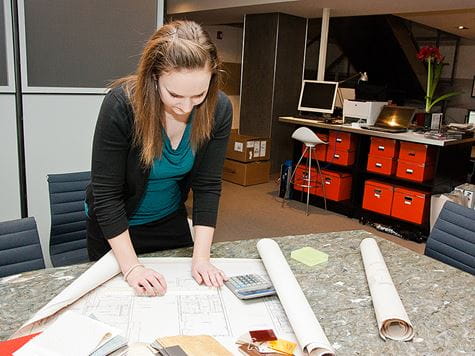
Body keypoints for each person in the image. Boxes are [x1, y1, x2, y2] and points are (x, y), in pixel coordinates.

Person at [85, 20, 232, 297]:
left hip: (168, 221)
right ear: (153, 78)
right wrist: (132, 268)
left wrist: (201, 259)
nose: (187, 106)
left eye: (198, 94)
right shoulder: (121, 105)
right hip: (116, 230)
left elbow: (208, 186)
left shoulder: (219, 109)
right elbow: (106, 196)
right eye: (175, 94)